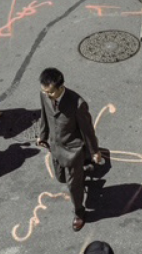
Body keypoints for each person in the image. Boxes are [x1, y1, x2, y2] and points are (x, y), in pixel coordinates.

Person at [36, 68, 100, 232]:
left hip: (73, 152)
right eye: (45, 91)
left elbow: (87, 130)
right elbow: (44, 115)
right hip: (55, 147)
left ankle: (79, 213)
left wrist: (94, 151)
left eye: (50, 92)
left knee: (73, 186)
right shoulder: (45, 95)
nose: (47, 95)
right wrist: (42, 135)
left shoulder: (77, 104)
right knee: (60, 178)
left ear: (60, 87)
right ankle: (82, 174)